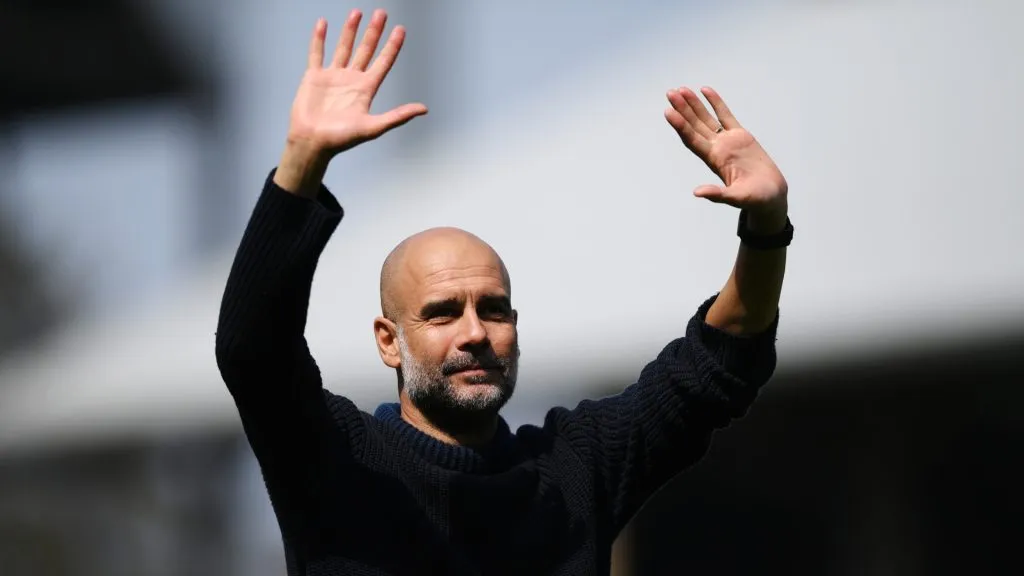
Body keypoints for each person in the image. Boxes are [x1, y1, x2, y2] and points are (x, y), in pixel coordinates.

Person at [215, 8, 792, 576]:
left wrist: (767, 227)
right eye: (442, 315)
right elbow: (253, 350)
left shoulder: (575, 470)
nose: (475, 334)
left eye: (493, 310)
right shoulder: (334, 460)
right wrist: (303, 161)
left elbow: (718, 364)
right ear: (389, 341)